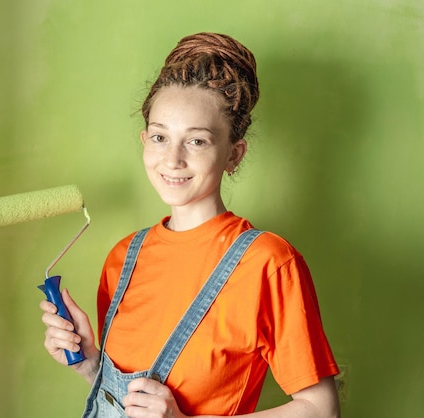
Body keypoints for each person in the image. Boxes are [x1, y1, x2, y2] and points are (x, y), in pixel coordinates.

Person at [40, 32, 341, 418]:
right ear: (144, 139)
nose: (173, 160)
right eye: (161, 137)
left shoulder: (268, 264)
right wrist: (89, 364)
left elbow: (321, 410)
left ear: (234, 154)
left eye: (197, 141)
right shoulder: (123, 258)